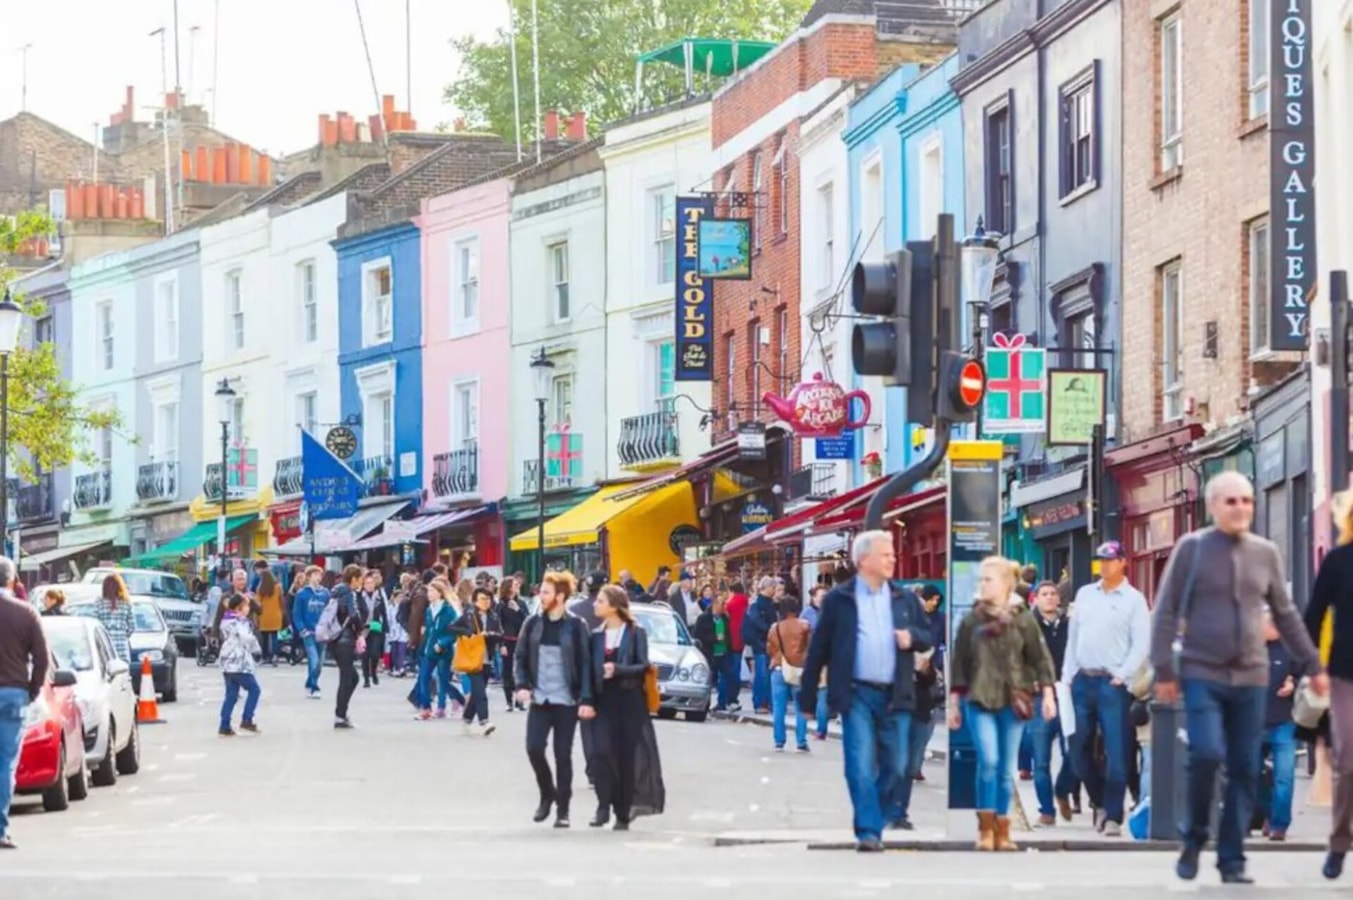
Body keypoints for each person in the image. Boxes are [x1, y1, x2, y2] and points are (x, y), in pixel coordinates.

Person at [1151, 471, 1325, 884]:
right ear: (1213, 506)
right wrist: (1163, 669)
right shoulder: (1191, 550)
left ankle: (1232, 858)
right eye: (1232, 501)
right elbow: (1166, 612)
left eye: (1247, 501)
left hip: (1252, 676)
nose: (1241, 508)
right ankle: (1193, 837)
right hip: (1201, 672)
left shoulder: (1264, 553)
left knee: (1247, 767)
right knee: (1208, 753)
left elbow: (1285, 614)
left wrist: (1314, 666)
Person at [799, 530, 932, 852]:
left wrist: (910, 638)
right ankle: (869, 830)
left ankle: (879, 812)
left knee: (898, 765)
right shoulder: (839, 600)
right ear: (864, 560)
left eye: (892, 555)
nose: (892, 559)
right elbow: (819, 649)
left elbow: (927, 637)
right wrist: (806, 696)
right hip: (856, 692)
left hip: (895, 693)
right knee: (859, 762)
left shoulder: (904, 599)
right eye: (885, 554)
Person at [948, 556, 1057, 852]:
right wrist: (954, 703)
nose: (983, 585)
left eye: (989, 579)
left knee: (1005, 767)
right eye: (981, 580)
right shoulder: (972, 619)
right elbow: (959, 663)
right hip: (979, 699)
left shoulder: (1023, 618)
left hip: (1014, 700)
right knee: (989, 761)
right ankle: (985, 828)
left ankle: (1003, 828)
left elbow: (1040, 657)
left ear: (1007, 583)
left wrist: (1048, 694)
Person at [1061, 541, 1150, 837]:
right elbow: (1073, 637)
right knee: (1077, 748)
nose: (1105, 566)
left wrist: (1123, 675)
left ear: (1123, 562)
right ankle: (1098, 799)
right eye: (1101, 561)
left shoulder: (1134, 600)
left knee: (1118, 750)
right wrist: (1068, 674)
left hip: (1113, 683)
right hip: (1082, 679)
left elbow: (1141, 643)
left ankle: (1113, 814)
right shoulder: (1085, 594)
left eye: (1110, 560)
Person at [513, 571, 595, 829]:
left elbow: (584, 665)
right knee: (534, 748)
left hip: (567, 701)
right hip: (540, 699)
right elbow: (520, 657)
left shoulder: (576, 625)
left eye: (546, 592)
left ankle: (563, 809)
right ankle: (547, 792)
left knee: (563, 754)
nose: (541, 595)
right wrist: (521, 685)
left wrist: (586, 698)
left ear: (560, 596)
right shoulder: (532, 623)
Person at [1305, 488, 1353, 880]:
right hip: (1345, 674)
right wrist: (1312, 668)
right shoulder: (1338, 561)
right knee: (1349, 760)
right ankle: (1340, 842)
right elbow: (1314, 614)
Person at [588, 584, 654, 829]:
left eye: (601, 601)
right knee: (601, 754)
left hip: (629, 701)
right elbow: (587, 669)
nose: (595, 604)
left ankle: (622, 812)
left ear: (614, 606)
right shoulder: (595, 635)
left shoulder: (636, 633)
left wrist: (618, 669)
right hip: (603, 701)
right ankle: (603, 804)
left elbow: (643, 666)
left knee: (625, 758)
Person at [0, 555, 47, 849]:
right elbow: (42, 659)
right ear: (12, 580)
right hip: (13, 693)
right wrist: (32, 690)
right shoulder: (26, 613)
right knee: (5, 763)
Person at [1028, 580, 1080, 824]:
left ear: (1059, 599)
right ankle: (1046, 810)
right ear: (1036, 599)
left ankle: (1062, 789)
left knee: (1075, 753)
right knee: (1041, 760)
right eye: (1044, 594)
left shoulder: (1070, 626)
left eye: (1053, 594)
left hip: (1067, 695)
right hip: (1038, 698)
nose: (1049, 598)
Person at [1257, 606, 1301, 842]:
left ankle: (1279, 824)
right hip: (1253, 723)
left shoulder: (1291, 649)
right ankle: (1267, 811)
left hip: (1284, 721)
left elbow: (1305, 675)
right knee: (1252, 773)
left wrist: (1293, 685)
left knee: (1284, 775)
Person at [767, 593, 811, 753]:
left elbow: (770, 649)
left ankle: (779, 741)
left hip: (779, 668)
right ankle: (801, 741)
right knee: (801, 707)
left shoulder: (775, 628)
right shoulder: (805, 625)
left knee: (779, 707)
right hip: (799, 670)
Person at [328, 565, 369, 730]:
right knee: (347, 678)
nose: (361, 582)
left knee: (352, 677)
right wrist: (361, 629)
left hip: (334, 639)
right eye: (360, 579)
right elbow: (353, 615)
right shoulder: (349, 593)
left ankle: (341, 713)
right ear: (354, 579)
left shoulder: (335, 591)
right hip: (345, 640)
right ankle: (340, 716)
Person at [452, 586, 497, 736]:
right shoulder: (469, 615)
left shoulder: (493, 616)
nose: (486, 602)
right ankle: (484, 721)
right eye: (483, 599)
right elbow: (452, 627)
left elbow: (500, 633)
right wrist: (470, 633)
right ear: (475, 601)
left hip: (486, 658)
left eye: (488, 599)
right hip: (472, 659)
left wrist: (492, 636)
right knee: (480, 692)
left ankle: (466, 719)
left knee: (477, 692)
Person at [414, 578, 462, 720]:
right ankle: (426, 708)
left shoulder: (448, 610)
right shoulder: (429, 610)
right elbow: (429, 631)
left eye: (432, 591)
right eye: (429, 590)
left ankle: (441, 708)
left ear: (440, 593)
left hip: (444, 650)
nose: (429, 593)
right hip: (429, 649)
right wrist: (423, 646)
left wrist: (442, 643)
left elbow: (453, 631)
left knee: (443, 678)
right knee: (424, 676)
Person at [217, 593, 263, 736]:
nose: (248, 608)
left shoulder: (226, 620)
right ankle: (247, 719)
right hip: (238, 661)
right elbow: (247, 637)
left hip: (226, 660)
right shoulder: (240, 621)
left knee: (231, 694)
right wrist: (257, 649)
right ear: (239, 608)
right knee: (254, 689)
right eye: (246, 605)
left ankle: (224, 724)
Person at [292, 566, 330, 699]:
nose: (318, 577)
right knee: (313, 659)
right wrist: (302, 629)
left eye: (319, 574)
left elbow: (330, 611)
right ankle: (314, 687)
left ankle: (309, 682)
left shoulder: (325, 593)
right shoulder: (302, 594)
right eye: (315, 574)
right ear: (309, 576)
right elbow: (297, 614)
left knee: (320, 662)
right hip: (308, 632)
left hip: (322, 632)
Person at [693, 590, 736, 711]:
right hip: (709, 653)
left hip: (723, 652)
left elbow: (728, 635)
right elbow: (697, 636)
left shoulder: (725, 618)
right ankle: (705, 704)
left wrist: (729, 647)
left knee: (726, 677)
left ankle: (722, 703)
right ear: (715, 604)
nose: (724, 607)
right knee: (708, 679)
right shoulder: (703, 618)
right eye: (723, 604)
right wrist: (714, 638)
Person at [92, 573, 135, 664]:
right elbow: (132, 626)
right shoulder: (126, 603)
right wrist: (122, 635)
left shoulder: (99, 603)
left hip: (105, 648)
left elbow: (94, 624)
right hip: (122, 647)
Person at [498, 578, 527, 711]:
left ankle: (519, 700)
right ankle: (508, 700)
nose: (518, 586)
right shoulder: (501, 605)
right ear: (509, 587)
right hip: (507, 640)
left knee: (520, 670)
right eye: (515, 585)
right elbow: (499, 625)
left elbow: (528, 620)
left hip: (520, 640)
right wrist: (501, 644)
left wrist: (518, 610)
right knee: (507, 671)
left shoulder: (521, 603)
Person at [361, 571, 388, 688]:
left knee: (374, 652)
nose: (370, 585)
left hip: (376, 626)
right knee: (365, 655)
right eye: (367, 583)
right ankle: (366, 678)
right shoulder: (359, 596)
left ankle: (374, 671)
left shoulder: (379, 595)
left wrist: (386, 626)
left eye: (371, 583)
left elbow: (384, 611)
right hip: (363, 628)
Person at [255, 568, 284, 667]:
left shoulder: (260, 589)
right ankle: (275, 655)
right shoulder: (278, 587)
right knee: (275, 636)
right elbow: (281, 601)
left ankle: (264, 657)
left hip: (264, 615)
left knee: (264, 638)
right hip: (276, 615)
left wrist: (256, 616)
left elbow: (258, 603)